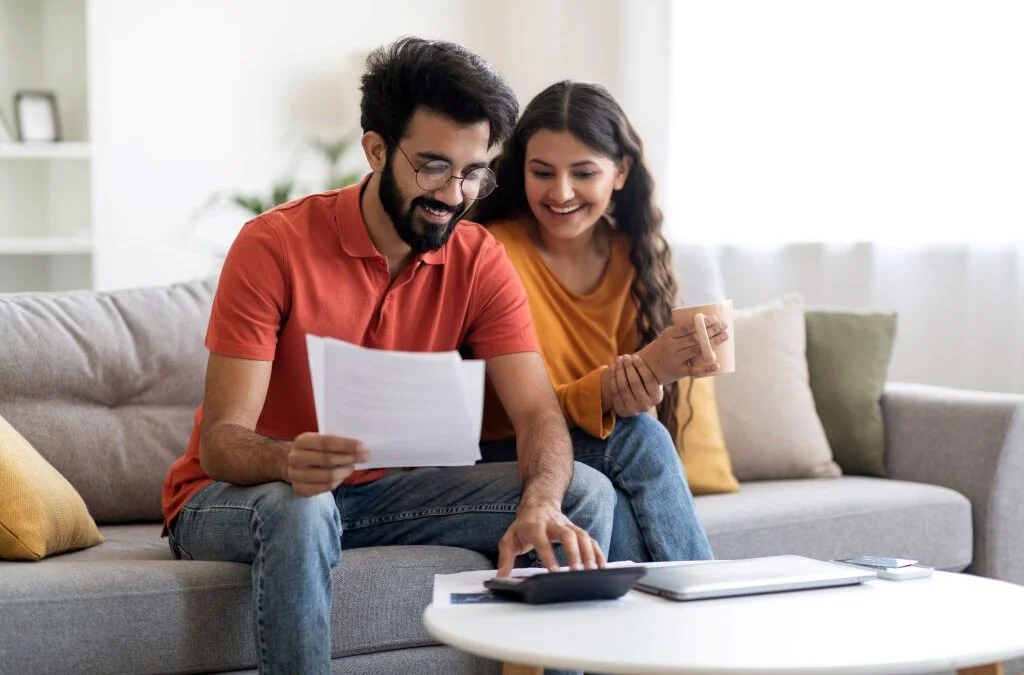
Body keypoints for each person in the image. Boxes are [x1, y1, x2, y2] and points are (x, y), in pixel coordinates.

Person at [160, 41, 615, 675]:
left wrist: (539, 501)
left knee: (582, 493)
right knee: (304, 502)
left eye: (473, 171)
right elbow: (221, 443)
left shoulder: (479, 258)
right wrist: (291, 458)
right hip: (236, 497)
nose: (454, 194)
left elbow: (539, 413)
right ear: (376, 150)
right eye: (433, 167)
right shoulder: (274, 245)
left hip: (384, 496)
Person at [473, 80, 728, 564]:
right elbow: (517, 410)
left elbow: (625, 418)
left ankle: (638, 630)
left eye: (583, 173)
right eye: (542, 172)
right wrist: (612, 393)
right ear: (519, 170)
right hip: (508, 448)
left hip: (599, 448)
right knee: (638, 439)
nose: (561, 192)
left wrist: (639, 391)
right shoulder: (493, 251)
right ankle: (705, 598)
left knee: (631, 458)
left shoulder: (633, 256)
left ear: (620, 171)